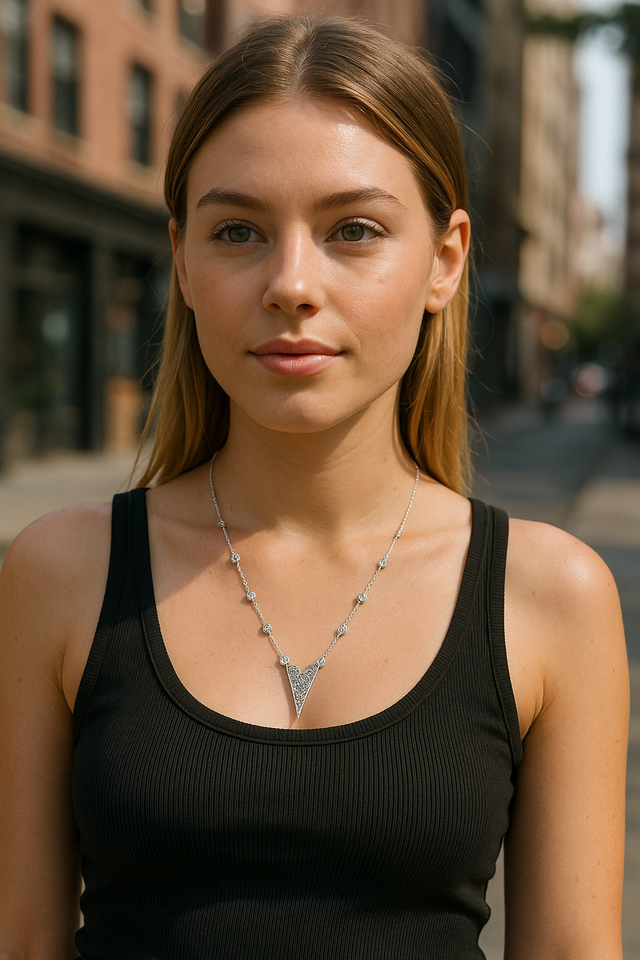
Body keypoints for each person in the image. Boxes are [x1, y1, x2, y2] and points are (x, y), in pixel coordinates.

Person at [0, 15, 629, 960]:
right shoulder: (59, 572)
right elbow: (24, 940)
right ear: (181, 257)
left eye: (356, 230)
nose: (292, 283)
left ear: (446, 261)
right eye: (239, 230)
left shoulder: (551, 596)